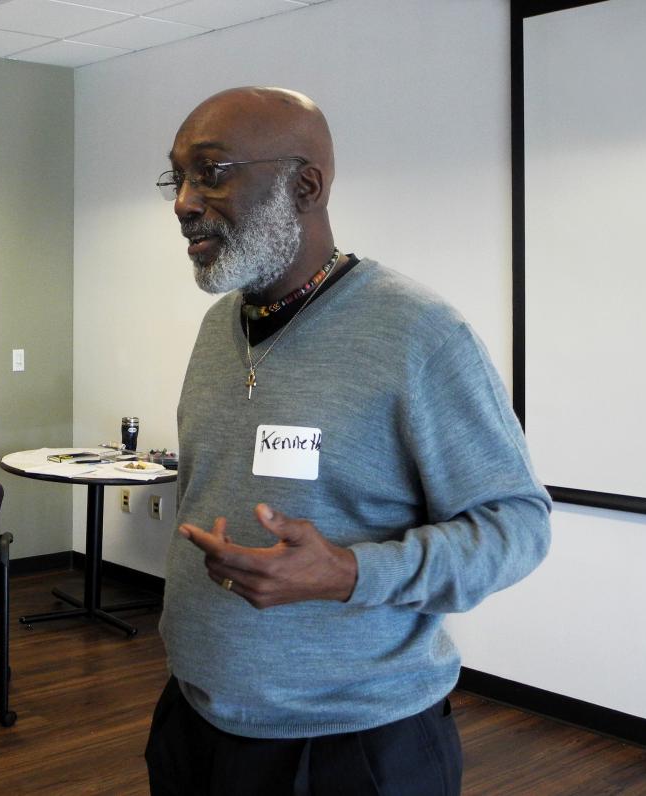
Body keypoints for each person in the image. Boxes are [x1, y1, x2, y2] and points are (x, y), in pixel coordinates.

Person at [146, 87, 551, 794]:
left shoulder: (419, 334)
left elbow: (518, 526)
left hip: (349, 748)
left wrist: (350, 573)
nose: (183, 202)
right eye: (176, 177)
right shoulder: (219, 330)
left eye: (211, 172)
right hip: (196, 721)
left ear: (305, 186)